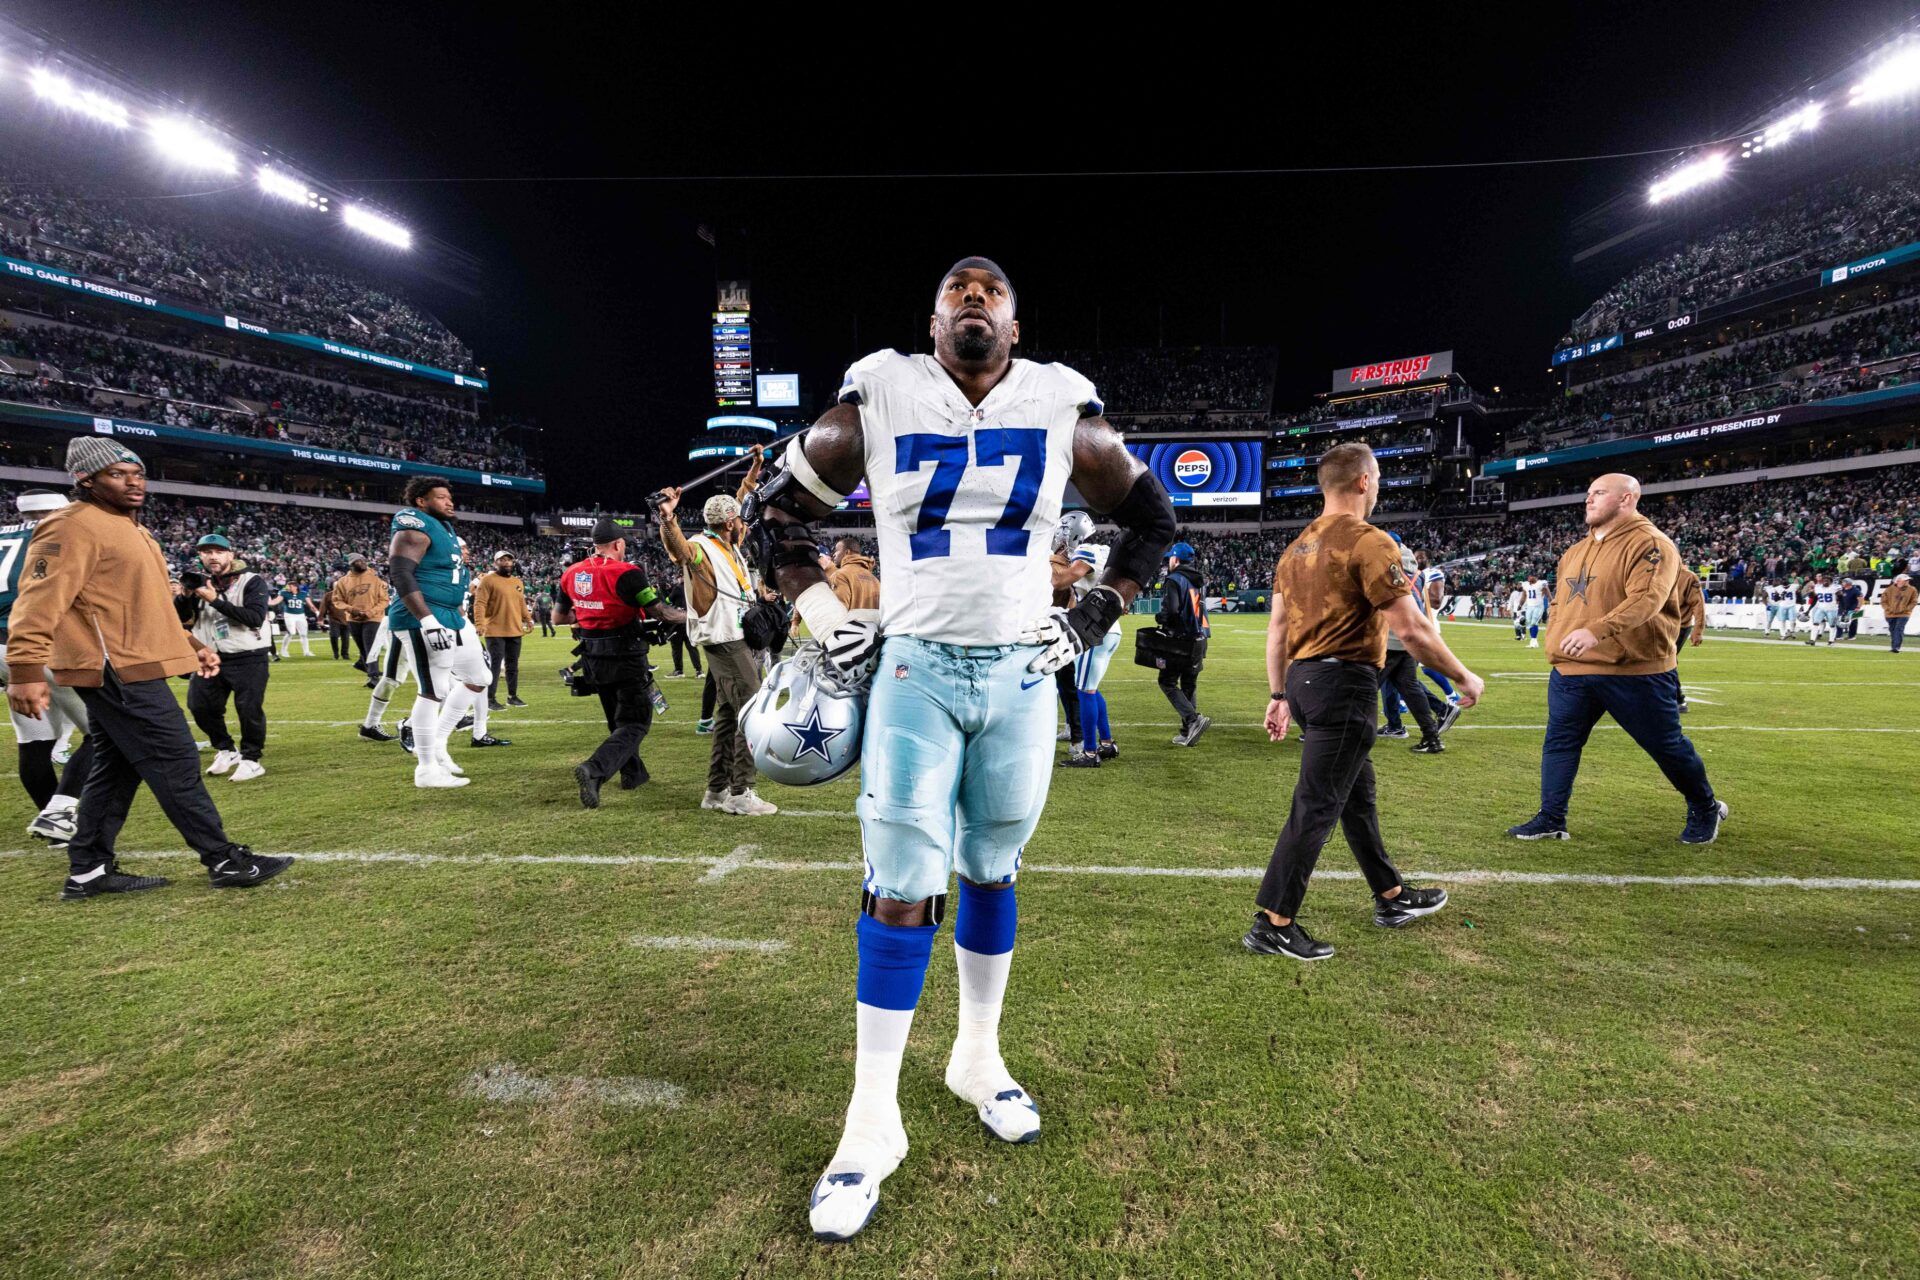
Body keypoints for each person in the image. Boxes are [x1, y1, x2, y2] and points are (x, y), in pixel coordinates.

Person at [750, 256, 1176, 1241]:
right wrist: (818, 608)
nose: (974, 295)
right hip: (915, 667)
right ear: (935, 319)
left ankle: (976, 1055)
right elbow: (777, 509)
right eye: (958, 290)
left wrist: (1096, 607)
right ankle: (870, 1120)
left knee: (992, 862)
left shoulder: (1064, 403)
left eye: (991, 290)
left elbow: (1153, 520)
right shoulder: (882, 391)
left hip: (1025, 672)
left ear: (1015, 326)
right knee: (901, 875)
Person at [5, 437, 289, 898]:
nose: (134, 482)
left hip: (133, 660)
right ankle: (223, 858)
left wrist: (191, 643)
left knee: (116, 767)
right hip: (113, 665)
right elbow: (37, 599)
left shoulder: (130, 527)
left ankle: (88, 870)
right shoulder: (70, 526)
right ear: (86, 479)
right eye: (118, 474)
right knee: (175, 759)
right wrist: (24, 669)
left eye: (138, 473)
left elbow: (147, 604)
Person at [1243, 442, 1481, 963]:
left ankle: (1391, 896)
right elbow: (1413, 630)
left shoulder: (1296, 547)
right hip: (1343, 685)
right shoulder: (1369, 541)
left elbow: (1278, 631)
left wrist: (1280, 694)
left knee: (1356, 798)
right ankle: (1273, 922)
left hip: (1307, 682)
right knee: (1316, 807)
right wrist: (1463, 676)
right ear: (1364, 482)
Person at [1507, 473, 1726, 845]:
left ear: (1627, 499)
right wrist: (1556, 642)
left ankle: (1705, 806)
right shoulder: (1574, 551)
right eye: (1588, 492)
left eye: (1599, 493)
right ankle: (1551, 817)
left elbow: (1647, 600)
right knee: (1560, 741)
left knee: (1665, 745)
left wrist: (1596, 630)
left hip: (1635, 668)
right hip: (1572, 668)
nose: (1588, 499)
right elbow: (1560, 603)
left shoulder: (1652, 544)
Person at [657, 488, 777, 816]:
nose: (743, 524)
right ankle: (741, 792)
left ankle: (716, 789)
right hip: (724, 638)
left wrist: (755, 468)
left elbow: (744, 495)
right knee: (752, 710)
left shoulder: (728, 546)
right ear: (728, 522)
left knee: (726, 714)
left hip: (732, 635)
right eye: (738, 519)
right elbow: (679, 550)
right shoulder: (700, 547)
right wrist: (668, 518)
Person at [561, 519, 687, 808]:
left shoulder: (571, 573)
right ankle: (594, 770)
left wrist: (592, 611)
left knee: (616, 721)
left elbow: (559, 617)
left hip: (592, 657)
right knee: (635, 722)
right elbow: (662, 612)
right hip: (625, 656)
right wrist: (694, 617)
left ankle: (633, 773)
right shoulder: (628, 573)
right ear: (619, 544)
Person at [384, 476, 497, 788]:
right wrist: (428, 621)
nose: (450, 502)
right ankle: (426, 769)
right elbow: (401, 572)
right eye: (442, 497)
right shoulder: (413, 524)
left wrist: (461, 620)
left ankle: (438, 744)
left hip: (453, 616)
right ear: (422, 501)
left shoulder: (444, 528)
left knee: (479, 678)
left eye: (450, 497)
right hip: (422, 616)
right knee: (434, 690)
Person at [1, 489, 96, 847]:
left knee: (34, 741)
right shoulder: (58, 535)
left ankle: (54, 825)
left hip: (4, 651)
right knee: (104, 733)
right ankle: (60, 810)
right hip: (42, 643)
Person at [175, 533, 272, 782]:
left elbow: (253, 618)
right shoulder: (200, 583)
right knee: (200, 706)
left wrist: (215, 600)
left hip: (248, 655)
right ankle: (227, 750)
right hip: (212, 657)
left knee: (248, 709)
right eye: (206, 552)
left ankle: (252, 759)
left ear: (230, 554)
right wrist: (185, 597)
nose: (212, 556)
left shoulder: (251, 581)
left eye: (218, 551)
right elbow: (181, 620)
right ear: (200, 556)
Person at [1378, 544, 1458, 754]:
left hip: (1390, 640)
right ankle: (1432, 737)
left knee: (1364, 688)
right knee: (1410, 688)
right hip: (1410, 641)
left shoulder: (1387, 570)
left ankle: (1343, 736)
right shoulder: (1417, 574)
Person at [1058, 538, 1123, 768]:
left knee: (1084, 691)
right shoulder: (1104, 552)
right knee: (1092, 689)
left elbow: (1061, 580)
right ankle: (1106, 743)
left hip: (1095, 631)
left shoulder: (1087, 552)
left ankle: (1088, 752)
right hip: (1109, 629)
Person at [1156, 541, 1211, 746]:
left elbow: (1171, 611)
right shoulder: (1197, 580)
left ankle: (1192, 719)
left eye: (1171, 557)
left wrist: (1159, 618)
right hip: (1200, 637)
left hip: (1182, 639)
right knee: (1189, 684)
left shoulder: (1174, 579)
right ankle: (1189, 731)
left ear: (1176, 559)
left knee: (1167, 681)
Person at [1047, 512, 1093, 747]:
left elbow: (1068, 599)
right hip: (1051, 632)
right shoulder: (1057, 563)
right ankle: (1074, 733)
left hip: (1057, 632)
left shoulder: (1061, 563)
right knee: (1066, 688)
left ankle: (1076, 737)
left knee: (1068, 688)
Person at [473, 550, 533, 710]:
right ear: (495, 563)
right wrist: (479, 623)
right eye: (502, 560)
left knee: (513, 665)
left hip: (514, 629)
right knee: (494, 665)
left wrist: (528, 619)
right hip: (495, 630)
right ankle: (490, 698)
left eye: (509, 560)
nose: (506, 562)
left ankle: (512, 696)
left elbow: (521, 603)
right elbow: (480, 603)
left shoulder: (517, 582)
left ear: (513, 563)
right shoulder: (487, 580)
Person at [329, 553, 389, 678]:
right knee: (362, 648)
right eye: (358, 561)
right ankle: (362, 663)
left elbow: (384, 600)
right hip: (353, 618)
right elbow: (337, 600)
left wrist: (370, 612)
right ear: (351, 564)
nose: (362, 563)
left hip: (373, 617)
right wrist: (351, 609)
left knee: (371, 646)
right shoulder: (342, 582)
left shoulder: (376, 579)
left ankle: (373, 675)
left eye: (363, 560)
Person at [1672, 567, 1705, 713]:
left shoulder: (1688, 577)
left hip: (1680, 625)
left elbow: (1698, 605)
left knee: (1667, 661)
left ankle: (1679, 699)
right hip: (1659, 625)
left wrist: (1698, 631)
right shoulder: (1655, 571)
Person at [273, 578, 315, 657]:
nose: (288, 588)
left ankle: (306, 651)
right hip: (289, 614)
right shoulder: (284, 593)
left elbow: (311, 605)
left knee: (304, 634)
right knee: (291, 633)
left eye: (290, 586)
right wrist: (269, 602)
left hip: (300, 615)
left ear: (295, 587)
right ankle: (284, 650)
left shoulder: (303, 593)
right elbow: (276, 601)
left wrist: (317, 612)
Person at [1805, 572, 1841, 646]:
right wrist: (1810, 594)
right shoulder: (1818, 588)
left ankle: (1831, 641)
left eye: (1828, 580)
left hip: (1832, 609)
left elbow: (1841, 598)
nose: (1826, 581)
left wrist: (1842, 609)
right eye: (1824, 579)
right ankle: (1812, 640)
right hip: (1820, 608)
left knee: (1832, 625)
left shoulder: (1835, 587)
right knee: (1815, 623)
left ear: (1831, 581)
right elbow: (1815, 599)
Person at [1883, 574, 1915, 652]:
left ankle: (1896, 647)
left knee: (1899, 629)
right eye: (1905, 580)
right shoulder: (1889, 589)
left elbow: (1914, 602)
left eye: (1908, 580)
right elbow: (1883, 601)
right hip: (1890, 614)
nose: (1907, 582)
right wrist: (1888, 609)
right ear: (1898, 581)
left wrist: (1906, 609)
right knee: (1892, 630)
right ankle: (1894, 646)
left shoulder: (1912, 590)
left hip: (1904, 614)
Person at [1522, 572, 1548, 647]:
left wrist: (1551, 599)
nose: (1528, 579)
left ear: (1534, 577)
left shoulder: (1540, 583)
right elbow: (1524, 595)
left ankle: (1534, 641)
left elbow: (1546, 590)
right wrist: (1520, 605)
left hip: (1538, 606)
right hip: (1529, 606)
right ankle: (1533, 641)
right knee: (1529, 623)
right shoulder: (1526, 585)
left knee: (1534, 622)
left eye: (1530, 577)